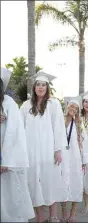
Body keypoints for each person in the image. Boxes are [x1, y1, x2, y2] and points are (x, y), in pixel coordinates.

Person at [20, 71, 67, 222]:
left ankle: (53, 216)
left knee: (50, 182)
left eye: (43, 85)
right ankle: (40, 217)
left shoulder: (54, 104)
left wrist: (58, 150)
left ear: (47, 88)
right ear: (34, 88)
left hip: (48, 151)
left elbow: (58, 127)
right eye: (38, 85)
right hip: (31, 152)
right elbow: (19, 127)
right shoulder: (26, 105)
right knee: (33, 182)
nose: (41, 87)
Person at [0, 67, 35, 222]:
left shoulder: (9, 103)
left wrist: (6, 159)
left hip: (5, 161)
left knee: (9, 199)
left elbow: (14, 133)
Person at [61, 97, 88, 222]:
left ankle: (73, 212)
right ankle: (64, 213)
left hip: (75, 158)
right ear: (67, 107)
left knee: (75, 183)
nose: (73, 109)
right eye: (72, 106)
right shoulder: (60, 121)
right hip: (62, 158)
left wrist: (84, 160)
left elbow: (84, 143)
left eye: (76, 108)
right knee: (62, 184)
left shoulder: (79, 124)